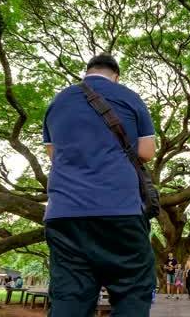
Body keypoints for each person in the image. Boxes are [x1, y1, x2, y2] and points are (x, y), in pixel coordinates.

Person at [42, 53, 156, 317]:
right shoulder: (128, 96)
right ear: (115, 75)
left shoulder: (57, 102)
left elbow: (53, 155)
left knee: (69, 297)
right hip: (120, 209)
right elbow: (147, 152)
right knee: (132, 291)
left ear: (87, 71)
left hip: (64, 213)